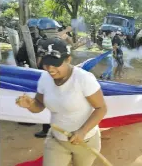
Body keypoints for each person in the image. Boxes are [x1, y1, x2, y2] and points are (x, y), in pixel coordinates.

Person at [16, 38, 107, 166]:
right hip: (56, 139)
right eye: (46, 64)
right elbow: (39, 105)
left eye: (55, 64)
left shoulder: (83, 79)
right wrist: (30, 105)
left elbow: (101, 108)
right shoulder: (45, 78)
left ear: (68, 59)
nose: (50, 69)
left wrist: (82, 131)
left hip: (84, 142)